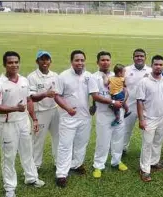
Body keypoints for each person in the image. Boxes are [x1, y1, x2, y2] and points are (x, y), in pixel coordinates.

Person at [0, 51, 45, 197]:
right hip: (8, 125)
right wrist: (15, 108)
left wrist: (34, 119)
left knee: (27, 151)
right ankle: (9, 187)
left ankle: (31, 178)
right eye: (10, 62)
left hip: (23, 122)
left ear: (19, 63)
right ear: (4, 64)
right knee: (9, 156)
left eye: (16, 62)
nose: (14, 65)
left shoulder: (24, 81)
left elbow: (29, 101)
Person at [54, 50, 98, 187]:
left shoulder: (89, 76)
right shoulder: (63, 76)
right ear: (71, 61)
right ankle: (61, 173)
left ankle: (76, 164)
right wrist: (68, 109)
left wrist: (93, 106)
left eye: (82, 60)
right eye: (77, 60)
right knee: (65, 145)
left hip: (85, 117)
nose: (80, 63)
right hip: (68, 117)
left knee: (81, 143)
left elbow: (94, 94)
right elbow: (57, 96)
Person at [90, 51, 128, 178]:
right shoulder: (93, 77)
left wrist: (123, 101)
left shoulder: (116, 74)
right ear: (97, 62)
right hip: (103, 114)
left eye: (107, 60)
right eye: (102, 60)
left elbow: (124, 90)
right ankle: (98, 165)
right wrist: (112, 102)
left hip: (118, 112)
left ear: (110, 61)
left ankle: (116, 161)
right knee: (103, 141)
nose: (105, 62)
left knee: (118, 139)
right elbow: (95, 96)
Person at [136, 55, 163, 182]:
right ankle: (144, 169)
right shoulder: (144, 82)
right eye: (156, 64)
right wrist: (141, 119)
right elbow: (139, 101)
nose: (158, 67)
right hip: (148, 118)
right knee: (147, 144)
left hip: (161, 117)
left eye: (161, 64)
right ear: (152, 65)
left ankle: (154, 162)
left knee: (158, 141)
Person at [27, 50, 59, 170]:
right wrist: (46, 94)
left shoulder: (55, 75)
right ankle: (35, 165)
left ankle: (58, 162)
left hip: (55, 110)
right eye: (42, 59)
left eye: (47, 59)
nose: (45, 62)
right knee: (38, 140)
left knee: (58, 137)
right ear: (37, 61)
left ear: (50, 61)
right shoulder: (32, 77)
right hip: (40, 112)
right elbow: (32, 97)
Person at [122, 49, 152, 155]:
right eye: (137, 56)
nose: (139, 58)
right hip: (129, 106)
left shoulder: (150, 71)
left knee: (147, 129)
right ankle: (122, 149)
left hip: (145, 107)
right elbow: (121, 86)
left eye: (141, 56)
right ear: (133, 57)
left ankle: (147, 151)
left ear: (145, 58)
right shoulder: (126, 70)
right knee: (125, 128)